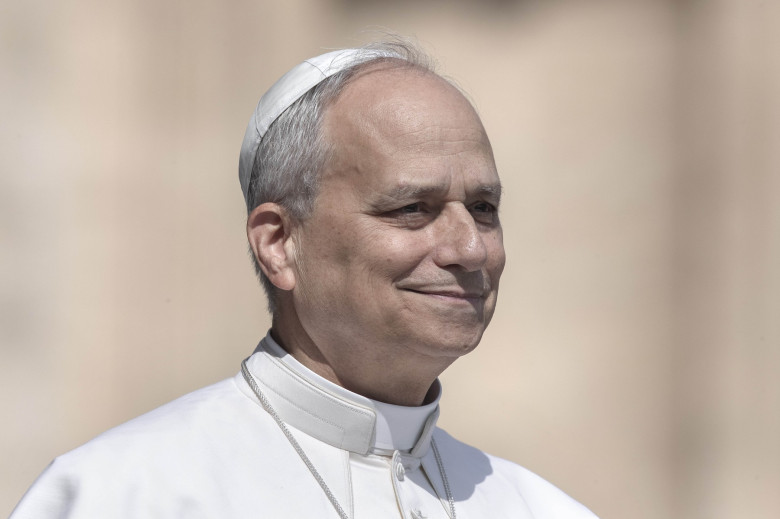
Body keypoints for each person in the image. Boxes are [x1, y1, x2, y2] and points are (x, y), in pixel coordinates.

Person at [11, 41, 599, 518]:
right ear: (279, 244)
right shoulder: (128, 495)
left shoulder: (540, 508)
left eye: (483, 208)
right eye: (411, 209)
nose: (470, 249)